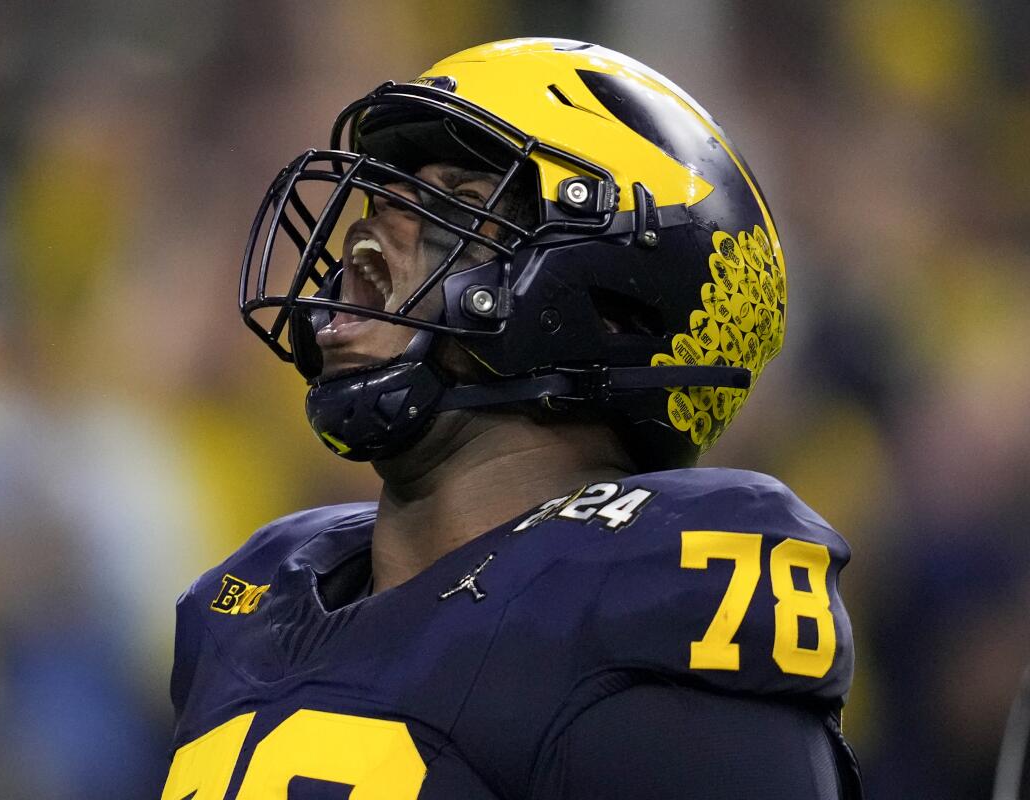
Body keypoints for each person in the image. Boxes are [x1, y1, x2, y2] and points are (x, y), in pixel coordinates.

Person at [162, 38, 863, 799]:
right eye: (389, 197)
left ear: (612, 303)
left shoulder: (648, 602)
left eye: (457, 204)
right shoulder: (253, 600)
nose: (369, 230)